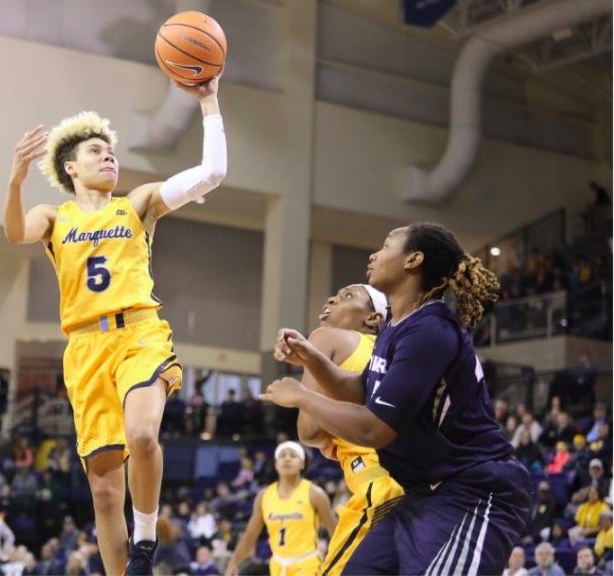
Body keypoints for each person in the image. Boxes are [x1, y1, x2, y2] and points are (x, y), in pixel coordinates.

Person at [3, 74, 225, 575]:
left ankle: (145, 543)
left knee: (143, 435)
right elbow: (16, 232)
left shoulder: (139, 203)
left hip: (139, 333)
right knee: (105, 493)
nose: (109, 158)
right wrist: (16, 178)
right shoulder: (54, 216)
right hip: (84, 348)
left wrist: (209, 102)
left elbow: (212, 172)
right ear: (70, 167)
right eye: (97, 152)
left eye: (111, 152)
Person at [264, 223, 531, 575]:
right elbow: (361, 389)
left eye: (387, 245)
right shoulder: (394, 327)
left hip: (472, 492)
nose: (374, 254)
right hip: (422, 493)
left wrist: (301, 396)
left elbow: (375, 429)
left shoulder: (432, 330)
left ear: (413, 260)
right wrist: (311, 358)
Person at [293, 283, 405, 575]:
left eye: (347, 296)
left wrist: (330, 434)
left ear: (373, 319)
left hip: (378, 487)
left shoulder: (325, 337)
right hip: (417, 487)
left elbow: (309, 431)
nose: (332, 298)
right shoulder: (393, 357)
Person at [224, 442, 336, 576]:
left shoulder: (315, 493)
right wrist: (234, 561)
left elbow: (336, 533)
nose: (287, 459)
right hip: (278, 566)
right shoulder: (264, 496)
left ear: (302, 463)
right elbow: (250, 535)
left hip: (308, 565)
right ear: (276, 464)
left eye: (293, 455)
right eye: (282, 456)